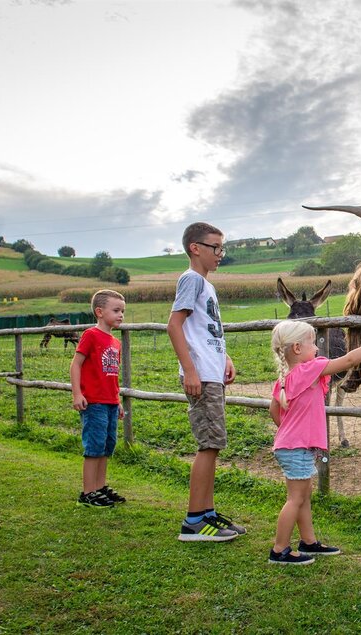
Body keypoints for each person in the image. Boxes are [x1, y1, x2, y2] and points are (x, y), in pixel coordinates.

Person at [267, 320, 361, 565]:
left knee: (304, 495)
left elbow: (274, 411)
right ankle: (279, 549)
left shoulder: (285, 378)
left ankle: (308, 542)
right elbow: (348, 362)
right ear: (298, 348)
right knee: (295, 498)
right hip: (296, 447)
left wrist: (291, 431)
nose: (318, 347)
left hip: (290, 445)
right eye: (313, 342)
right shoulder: (309, 369)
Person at [167, 222, 242, 542]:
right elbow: (174, 325)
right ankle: (194, 521)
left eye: (222, 248)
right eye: (216, 247)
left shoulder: (206, 285)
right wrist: (192, 370)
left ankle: (207, 513)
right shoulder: (192, 280)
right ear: (195, 248)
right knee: (208, 446)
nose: (220, 254)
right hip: (202, 376)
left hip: (213, 372)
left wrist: (224, 357)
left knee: (214, 444)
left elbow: (206, 330)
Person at [70, 289, 127, 508]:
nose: (121, 315)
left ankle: (100, 488)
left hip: (110, 402)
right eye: (116, 310)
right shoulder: (91, 335)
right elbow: (76, 364)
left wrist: (118, 400)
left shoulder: (115, 342)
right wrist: (77, 393)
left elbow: (112, 375)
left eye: (122, 311)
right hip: (93, 402)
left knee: (106, 446)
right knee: (94, 446)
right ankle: (88, 492)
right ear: (100, 312)